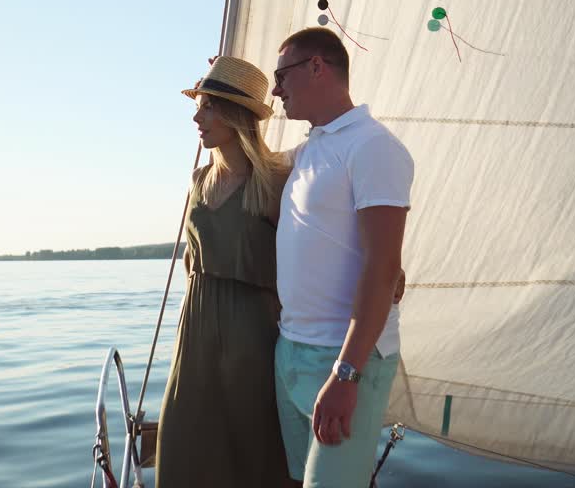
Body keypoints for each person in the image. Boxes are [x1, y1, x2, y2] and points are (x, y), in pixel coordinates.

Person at [269, 27, 414, 486]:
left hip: (344, 359)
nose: (276, 90)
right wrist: (227, 94)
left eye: (281, 75)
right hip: (290, 350)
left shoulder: (372, 146)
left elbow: (382, 267)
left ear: (316, 66)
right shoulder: (311, 148)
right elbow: (249, 161)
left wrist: (347, 375)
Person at [155, 56, 292, 487]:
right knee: (183, 442)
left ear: (237, 114)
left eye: (209, 106)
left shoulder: (275, 181)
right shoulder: (199, 179)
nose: (198, 117)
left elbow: (314, 252)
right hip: (194, 333)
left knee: (253, 449)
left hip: (252, 335)